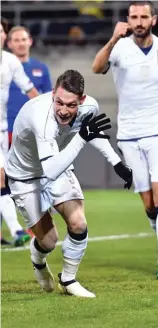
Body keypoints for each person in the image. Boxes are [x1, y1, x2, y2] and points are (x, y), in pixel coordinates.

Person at [91, 1, 158, 280]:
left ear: (154, 20)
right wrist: (114, 37)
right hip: (128, 134)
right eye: (134, 17)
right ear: (127, 20)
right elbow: (96, 67)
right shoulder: (120, 48)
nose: (138, 21)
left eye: (144, 16)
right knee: (149, 205)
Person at [4, 69, 133, 297]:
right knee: (49, 241)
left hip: (58, 165)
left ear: (81, 100)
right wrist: (82, 137)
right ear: (53, 93)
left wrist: (116, 163)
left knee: (78, 223)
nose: (63, 111)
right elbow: (51, 169)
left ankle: (69, 279)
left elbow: (91, 131)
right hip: (25, 176)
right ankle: (38, 259)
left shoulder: (89, 107)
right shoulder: (40, 116)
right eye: (59, 102)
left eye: (71, 105)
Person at [1, 17, 39, 246]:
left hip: (3, 130)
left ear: (4, 36)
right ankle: (16, 229)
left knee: (2, 179)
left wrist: (49, 114)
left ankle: (16, 231)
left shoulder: (11, 62)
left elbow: (30, 90)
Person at [7, 25, 53, 144]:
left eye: (23, 39)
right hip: (6, 128)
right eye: (16, 40)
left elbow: (49, 100)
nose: (21, 44)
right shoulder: (3, 68)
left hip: (32, 129)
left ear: (30, 41)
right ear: (9, 44)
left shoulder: (41, 68)